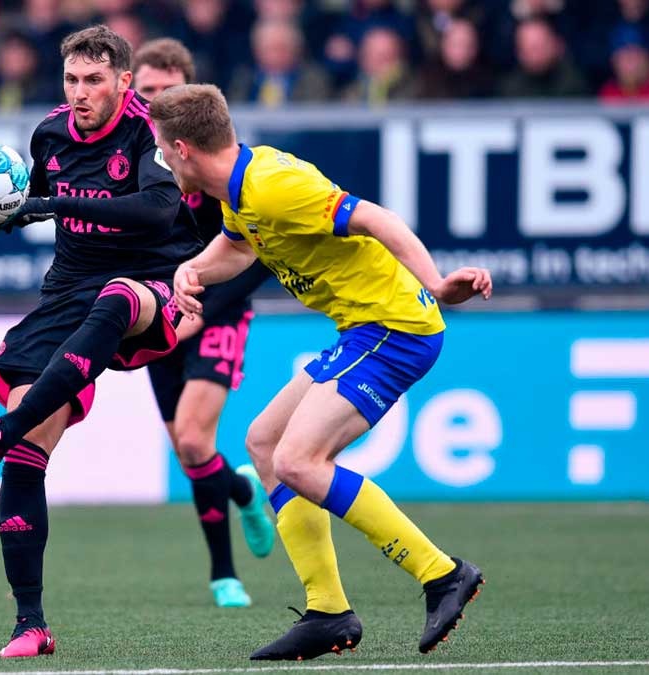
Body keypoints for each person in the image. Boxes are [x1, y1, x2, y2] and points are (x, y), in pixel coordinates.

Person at [149, 83, 491, 660]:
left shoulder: (275, 185)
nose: (159, 160)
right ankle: (329, 612)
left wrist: (435, 282)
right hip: (364, 329)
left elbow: (376, 218)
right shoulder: (240, 188)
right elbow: (238, 248)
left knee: (297, 462)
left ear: (183, 149)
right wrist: (193, 270)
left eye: (161, 149)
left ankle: (442, 574)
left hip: (394, 328)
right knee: (264, 443)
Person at [0, 25, 203, 658]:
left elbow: (156, 210)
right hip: (67, 291)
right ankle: (29, 623)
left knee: (117, 297)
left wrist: (51, 202)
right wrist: (4, 212)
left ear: (122, 81)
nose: (80, 93)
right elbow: (34, 199)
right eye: (71, 80)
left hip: (153, 281)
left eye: (93, 81)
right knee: (29, 448)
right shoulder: (51, 133)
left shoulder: (151, 129)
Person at [131, 37, 275, 609]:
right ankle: (241, 489)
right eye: (146, 92)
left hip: (214, 314)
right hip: (158, 316)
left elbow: (255, 254)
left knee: (194, 437)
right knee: (190, 454)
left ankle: (223, 575)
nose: (155, 101)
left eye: (167, 92)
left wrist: (198, 310)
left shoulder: (217, 168)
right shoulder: (130, 165)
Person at [498, 16, 589, 99]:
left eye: (541, 46)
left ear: (557, 44)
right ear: (518, 52)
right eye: (529, 48)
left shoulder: (574, 86)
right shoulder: (509, 89)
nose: (535, 54)